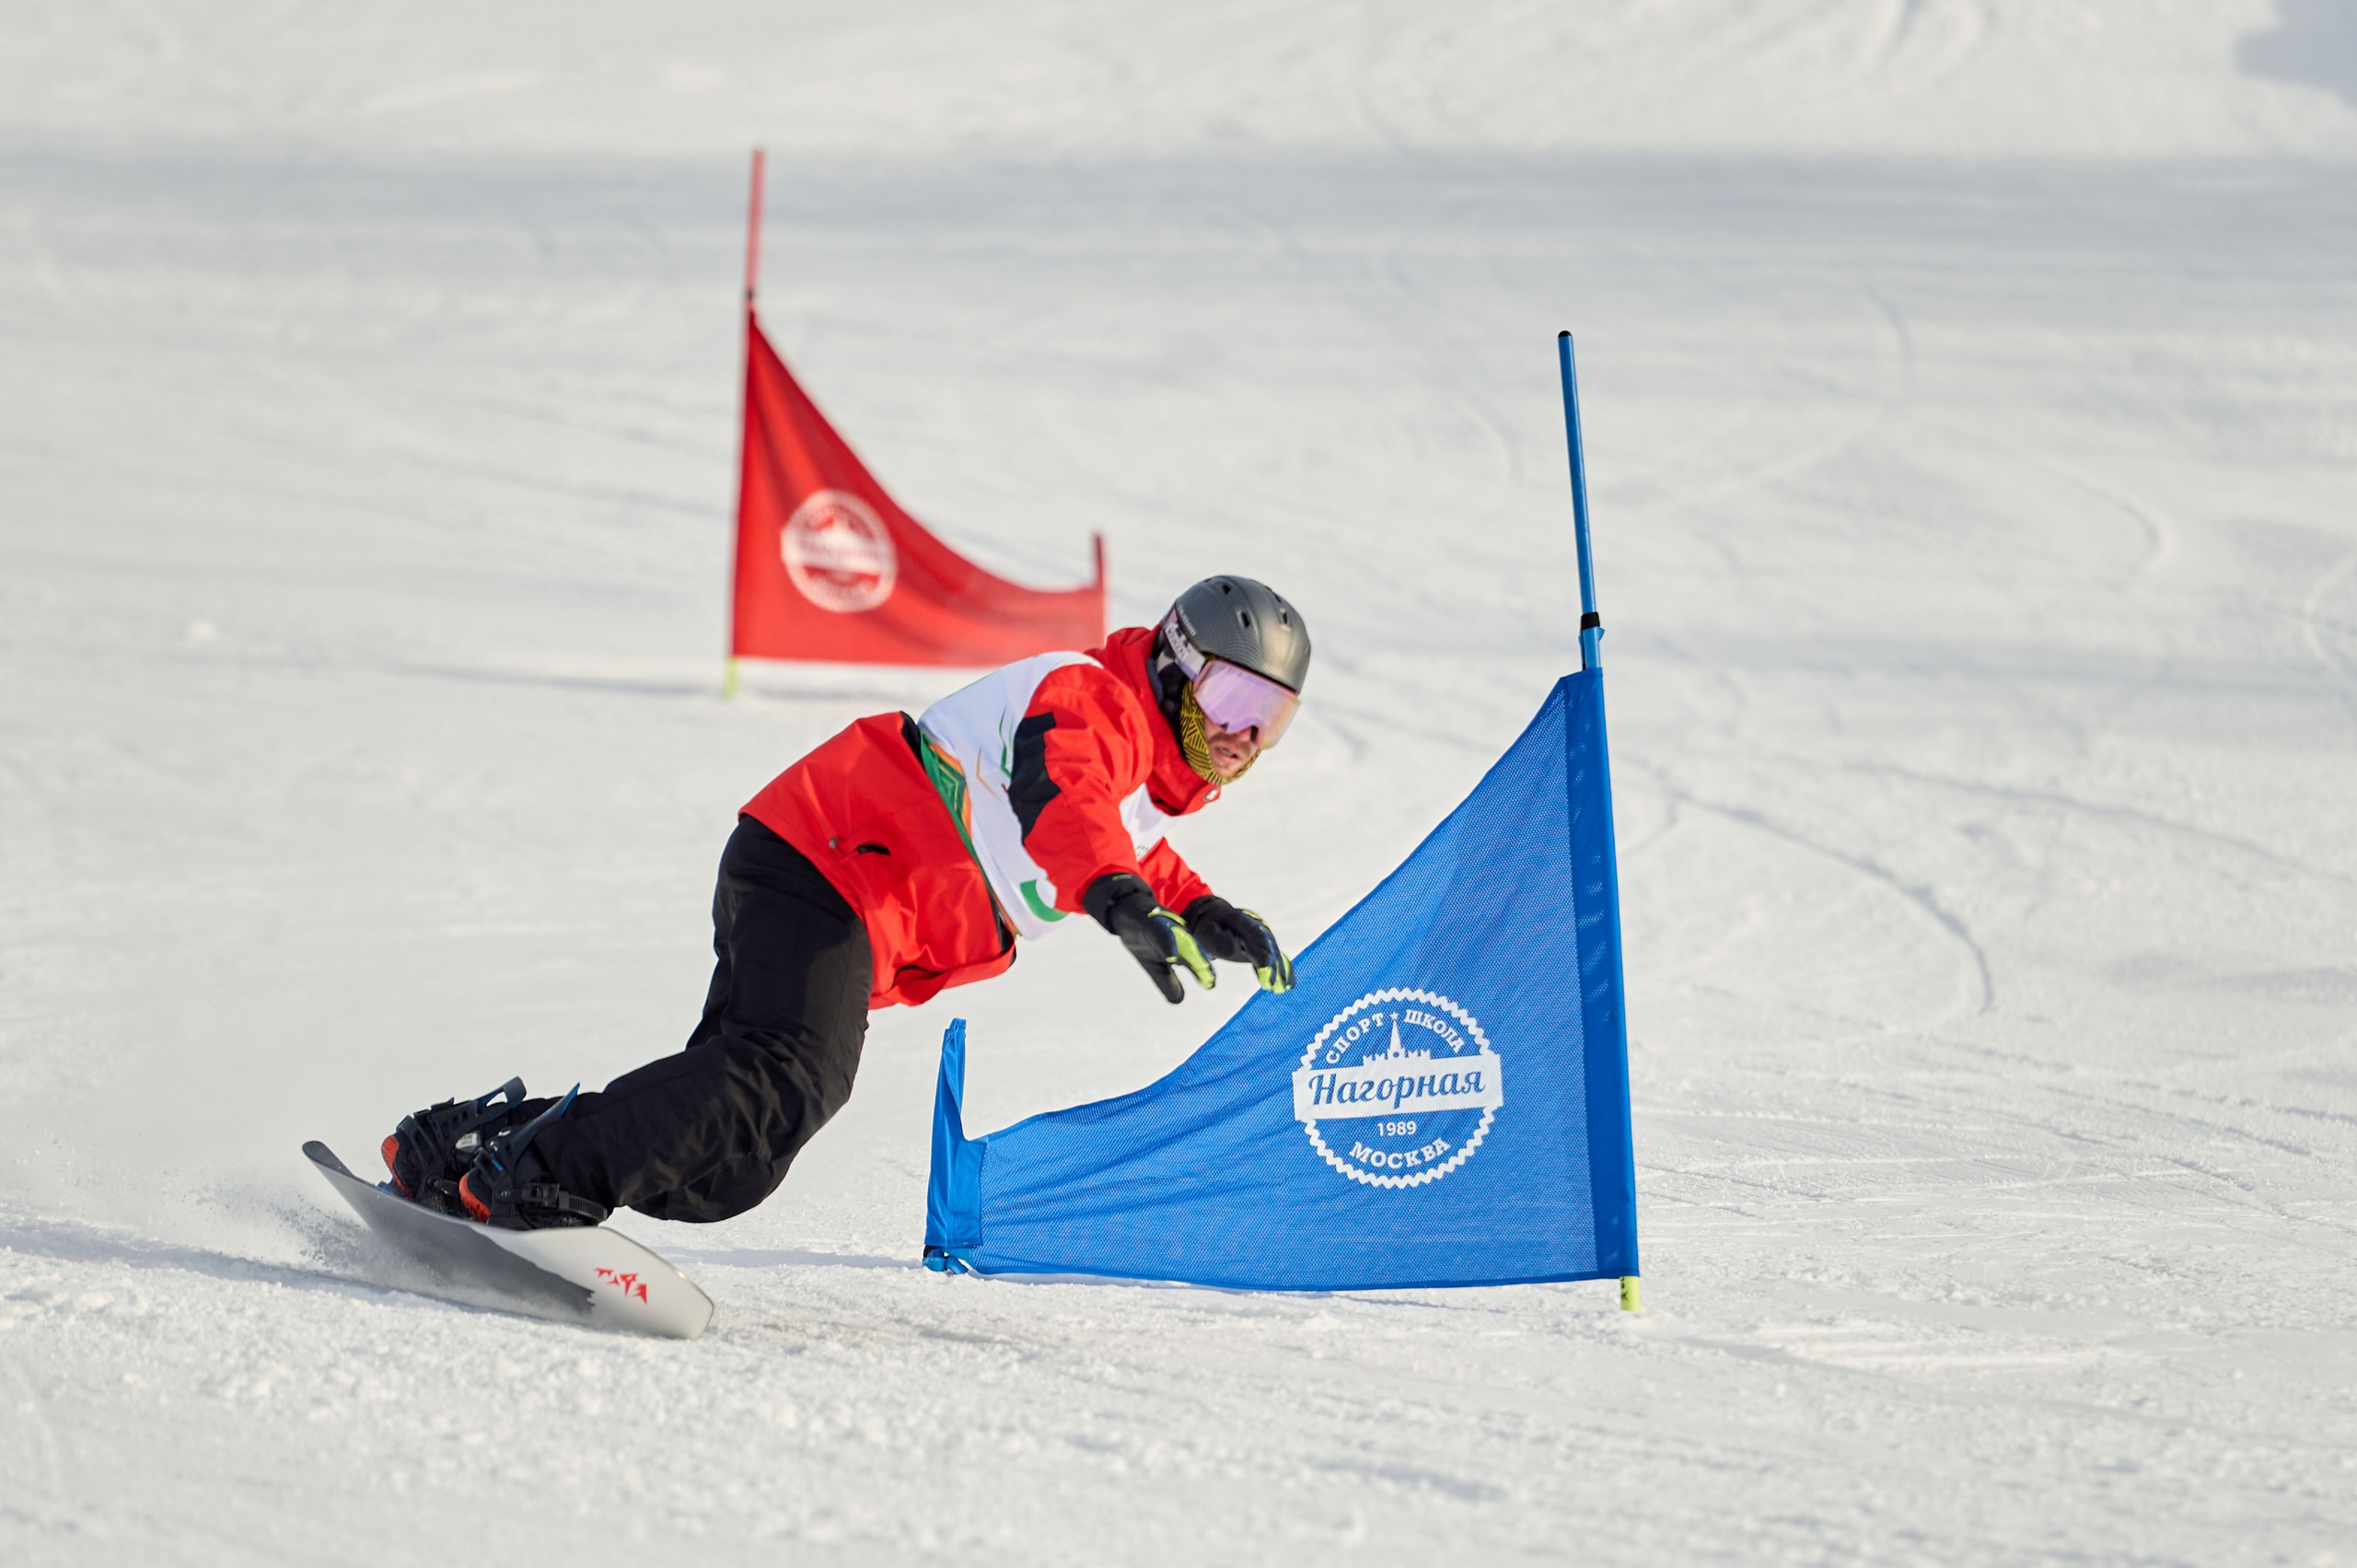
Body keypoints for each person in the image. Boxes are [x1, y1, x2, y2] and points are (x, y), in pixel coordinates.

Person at [377, 576, 1312, 1230]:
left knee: (733, 1159)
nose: (1241, 733)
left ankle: (465, 1152)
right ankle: (534, 1178)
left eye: (1268, 718)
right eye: (1230, 694)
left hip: (833, 882)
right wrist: (1115, 896)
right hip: (827, 861)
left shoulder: (1136, 778)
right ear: (1175, 661)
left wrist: (1201, 909)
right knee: (790, 1076)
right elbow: (1066, 803)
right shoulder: (1090, 700)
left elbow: (1128, 840)